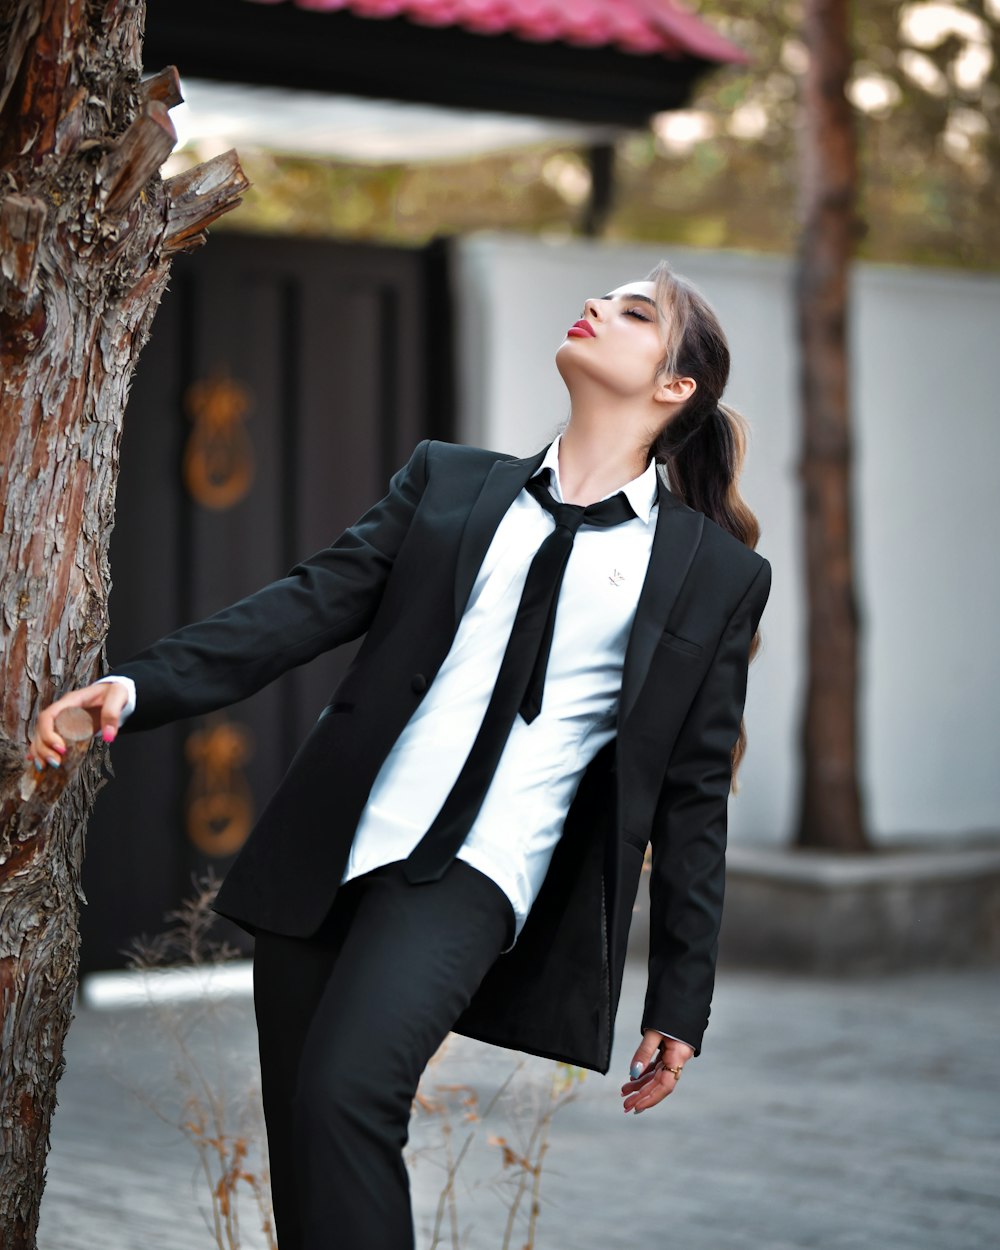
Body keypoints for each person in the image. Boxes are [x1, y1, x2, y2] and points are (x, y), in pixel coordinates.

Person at [28, 259, 772, 1250]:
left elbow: (691, 797)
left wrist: (681, 993)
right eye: (599, 295)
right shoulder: (448, 483)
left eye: (634, 311)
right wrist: (134, 688)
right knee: (305, 1133)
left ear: (675, 386)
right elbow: (297, 607)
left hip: (477, 871)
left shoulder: (712, 572)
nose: (594, 306)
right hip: (336, 845)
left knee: (347, 1095)